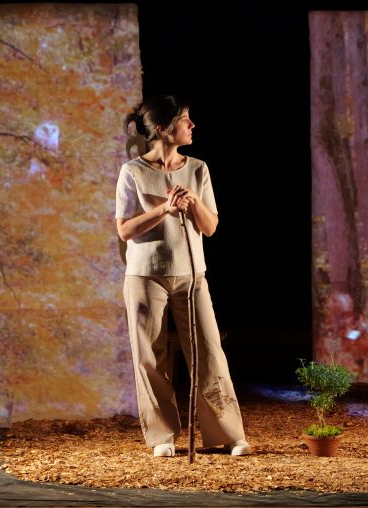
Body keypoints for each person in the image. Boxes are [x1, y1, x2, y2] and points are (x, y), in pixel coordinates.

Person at [116, 95, 252, 457]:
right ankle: (162, 436)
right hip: (145, 276)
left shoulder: (198, 169)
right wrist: (165, 208)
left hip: (192, 275)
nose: (192, 126)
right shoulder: (133, 171)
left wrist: (193, 203)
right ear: (163, 128)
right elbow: (125, 230)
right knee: (150, 358)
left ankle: (228, 433)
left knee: (209, 352)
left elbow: (210, 228)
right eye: (185, 120)